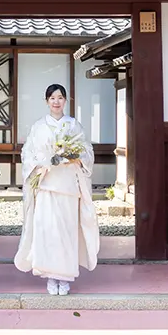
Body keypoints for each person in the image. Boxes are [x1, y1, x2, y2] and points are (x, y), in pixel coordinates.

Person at [14, 83, 99, 296]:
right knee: (47, 231)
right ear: (46, 101)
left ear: (65, 100)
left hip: (68, 186)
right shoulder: (39, 127)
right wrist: (41, 164)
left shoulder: (73, 125)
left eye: (60, 97)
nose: (56, 101)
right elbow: (28, 153)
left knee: (67, 232)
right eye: (52, 98)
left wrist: (73, 156)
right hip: (46, 185)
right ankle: (50, 276)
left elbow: (87, 150)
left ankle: (65, 276)